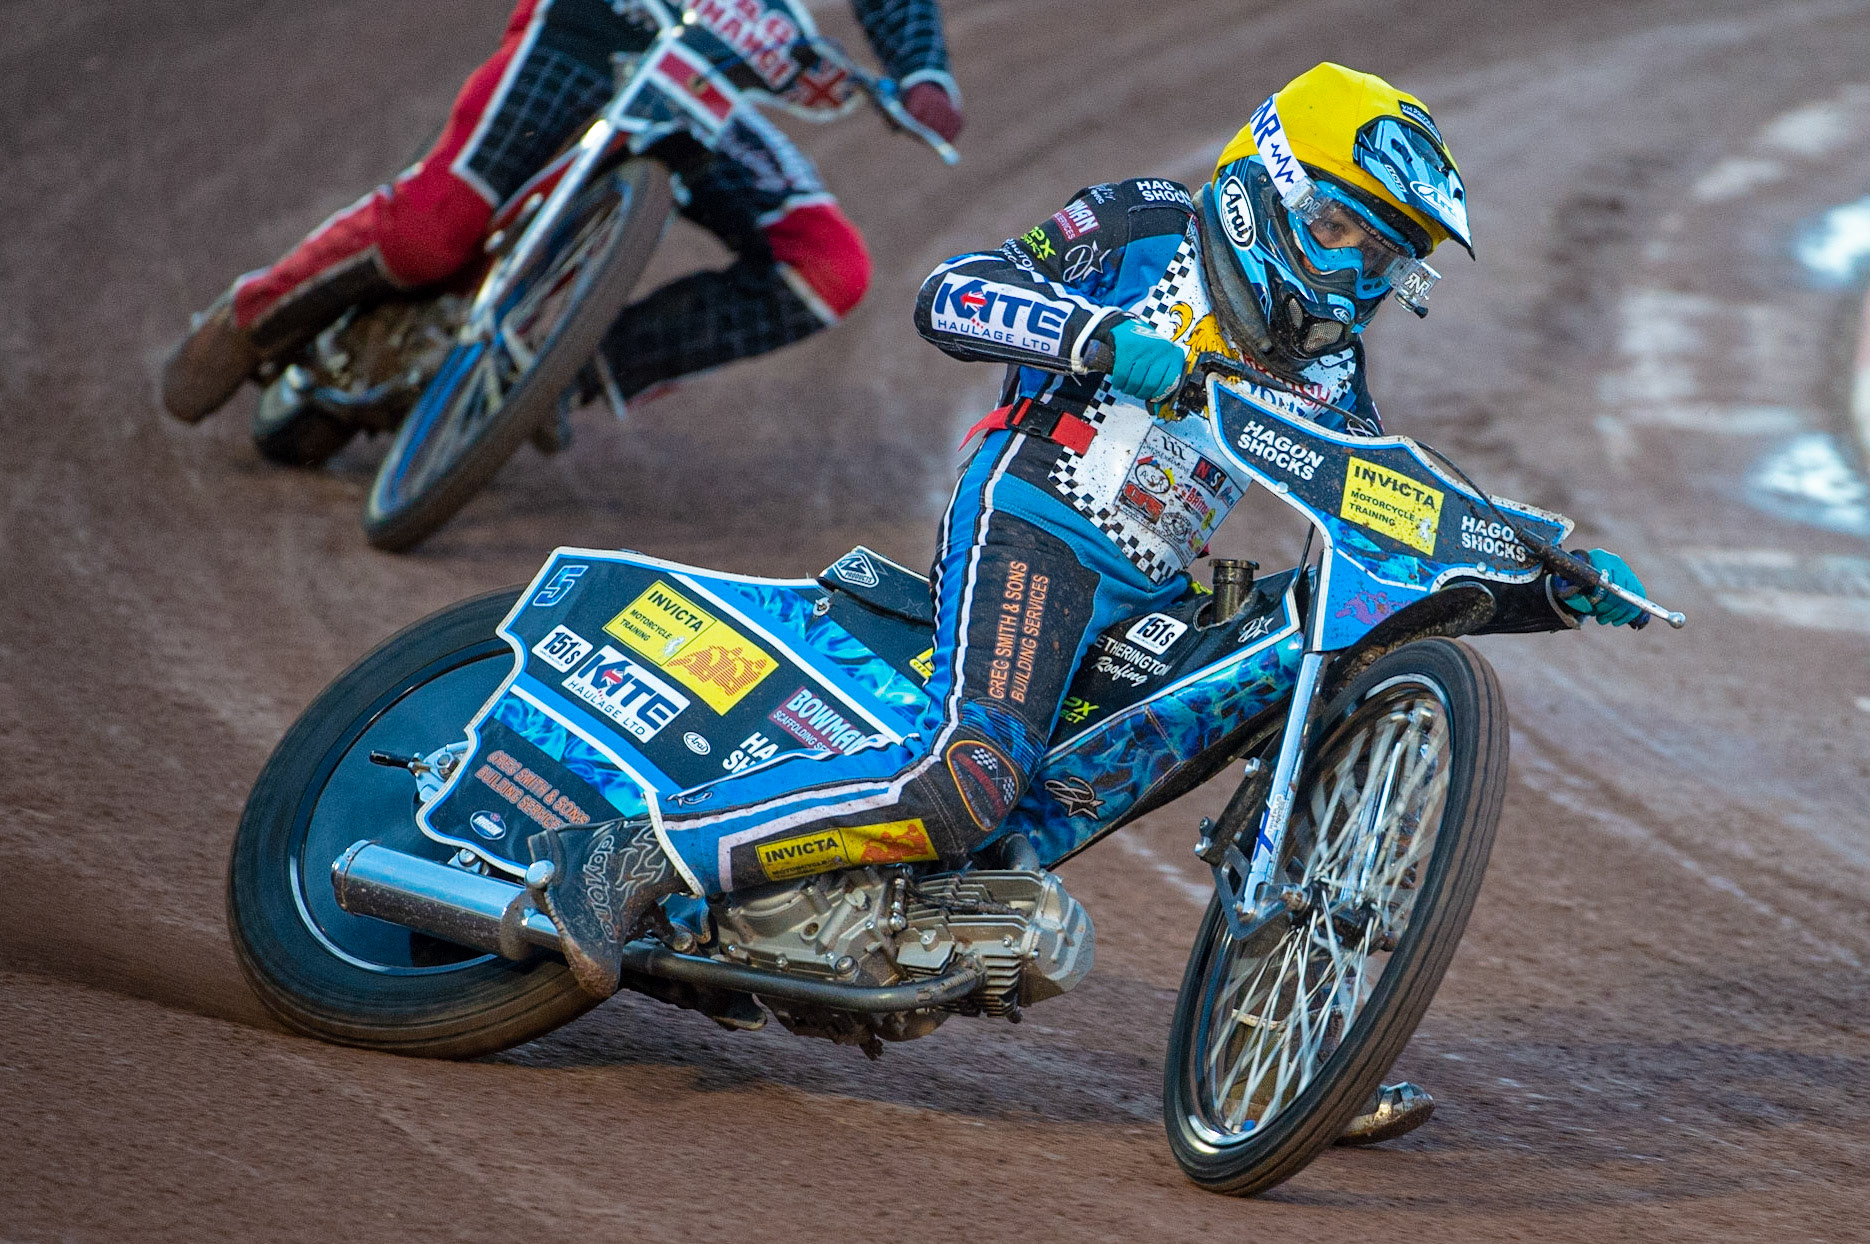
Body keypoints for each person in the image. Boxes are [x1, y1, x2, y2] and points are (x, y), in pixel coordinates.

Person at [523, 63, 1650, 1137]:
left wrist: (1544, 568)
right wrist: (1102, 339)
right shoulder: (1148, 224)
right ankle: (629, 855)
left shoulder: (1330, 367)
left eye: (1382, 259)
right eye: (1342, 231)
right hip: (1035, 510)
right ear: (1272, 186)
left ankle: (1306, 1052)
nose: (1352, 275)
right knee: (969, 778)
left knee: (1283, 671)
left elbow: (1380, 498)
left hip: (1150, 581)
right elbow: (951, 292)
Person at [160, 0, 964, 425]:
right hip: (590, 28)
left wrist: (922, 73)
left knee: (829, 267)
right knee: (430, 236)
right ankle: (249, 316)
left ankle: (552, 378)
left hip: (706, 88)